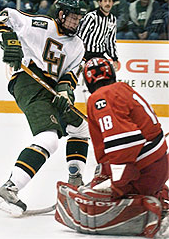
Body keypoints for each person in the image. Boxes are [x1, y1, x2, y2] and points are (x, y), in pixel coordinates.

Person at [0, 0, 89, 216]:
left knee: (82, 128)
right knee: (49, 138)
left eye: (79, 18)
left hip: (53, 90)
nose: (77, 22)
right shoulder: (42, 24)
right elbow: (8, 17)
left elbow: (70, 76)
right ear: (61, 14)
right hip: (28, 82)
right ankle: (9, 188)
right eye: (73, 17)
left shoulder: (78, 46)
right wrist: (11, 41)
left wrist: (65, 91)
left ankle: (75, 180)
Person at [54, 57, 169, 237]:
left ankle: (149, 208)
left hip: (144, 169)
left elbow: (124, 142)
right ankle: (158, 194)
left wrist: (118, 184)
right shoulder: (122, 88)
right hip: (157, 165)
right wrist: (107, 173)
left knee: (95, 202)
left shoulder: (99, 98)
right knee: (104, 184)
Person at [77, 0, 119, 71]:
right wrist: (80, 57)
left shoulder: (112, 19)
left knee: (108, 76)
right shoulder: (91, 17)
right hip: (86, 54)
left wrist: (114, 58)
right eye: (105, 1)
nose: (107, 3)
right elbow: (81, 37)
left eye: (110, 1)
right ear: (100, 3)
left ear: (113, 3)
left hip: (99, 54)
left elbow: (110, 41)